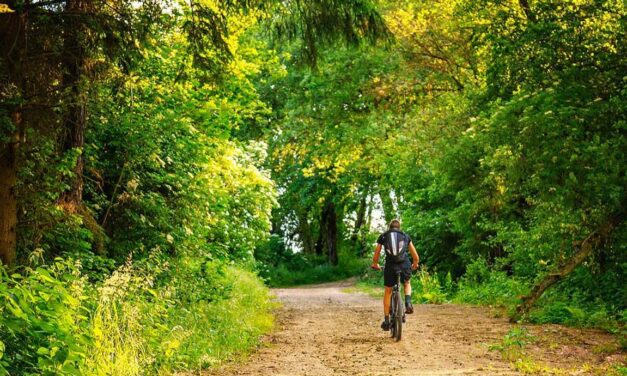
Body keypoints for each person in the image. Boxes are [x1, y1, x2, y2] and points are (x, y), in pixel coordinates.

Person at [371, 219, 419, 331]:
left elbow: (377, 253)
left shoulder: (383, 236)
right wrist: (415, 263)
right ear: (399, 227)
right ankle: (408, 303)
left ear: (390, 227)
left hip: (390, 266)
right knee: (407, 283)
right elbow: (415, 255)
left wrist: (375, 264)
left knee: (388, 291)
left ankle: (387, 321)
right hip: (404, 265)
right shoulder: (405, 236)